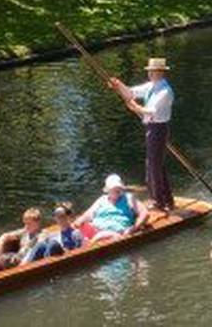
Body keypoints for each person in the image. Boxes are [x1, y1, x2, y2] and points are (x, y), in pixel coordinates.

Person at [110, 57, 176, 212]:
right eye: (150, 71)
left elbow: (150, 111)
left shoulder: (165, 91)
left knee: (152, 166)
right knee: (157, 165)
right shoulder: (151, 86)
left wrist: (133, 107)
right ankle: (167, 198)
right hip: (152, 128)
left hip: (158, 128)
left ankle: (158, 201)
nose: (150, 74)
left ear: (160, 72)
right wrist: (118, 85)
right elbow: (131, 92)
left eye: (153, 71)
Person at [72, 174, 149, 244]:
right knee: (74, 232)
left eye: (118, 187)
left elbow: (144, 213)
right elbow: (86, 216)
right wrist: (77, 223)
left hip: (114, 232)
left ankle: (90, 243)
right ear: (108, 190)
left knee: (102, 236)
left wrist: (133, 228)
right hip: (95, 229)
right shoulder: (102, 200)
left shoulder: (128, 198)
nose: (117, 190)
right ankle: (83, 243)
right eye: (114, 188)